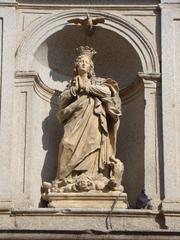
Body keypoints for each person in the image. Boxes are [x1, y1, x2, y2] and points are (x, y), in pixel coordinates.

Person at [52, 46, 124, 192]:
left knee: (93, 145)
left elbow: (109, 91)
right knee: (66, 144)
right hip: (75, 120)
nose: (84, 64)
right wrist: (73, 90)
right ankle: (65, 179)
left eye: (86, 62)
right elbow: (61, 102)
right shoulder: (71, 85)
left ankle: (93, 175)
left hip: (95, 120)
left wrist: (87, 88)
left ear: (91, 67)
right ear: (76, 66)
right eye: (81, 62)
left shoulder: (98, 82)